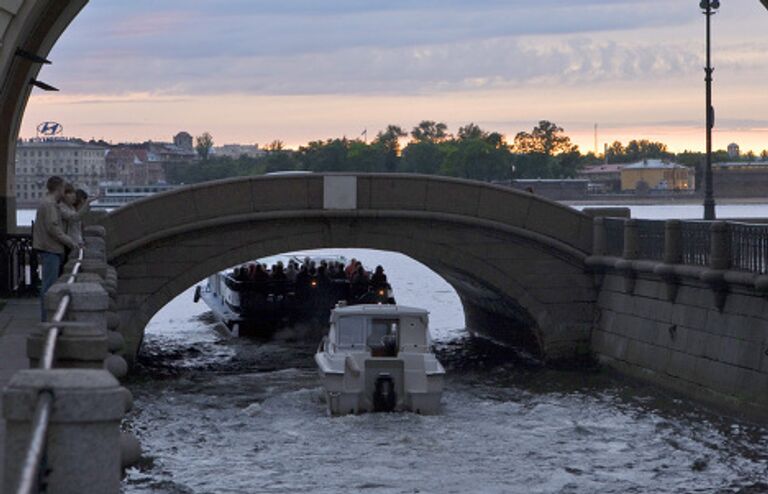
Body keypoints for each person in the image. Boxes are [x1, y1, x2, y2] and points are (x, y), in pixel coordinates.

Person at [33, 176, 80, 321]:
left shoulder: (48, 203)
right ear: (58, 188)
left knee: (49, 285)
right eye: (63, 188)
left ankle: (48, 317)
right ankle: (47, 319)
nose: (64, 191)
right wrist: (70, 242)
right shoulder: (49, 204)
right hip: (51, 249)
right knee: (49, 286)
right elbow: (53, 229)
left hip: (50, 248)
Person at [58, 184, 92, 248]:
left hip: (75, 243)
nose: (73, 196)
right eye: (70, 193)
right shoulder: (61, 208)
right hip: (68, 245)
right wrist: (86, 205)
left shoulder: (71, 208)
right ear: (64, 195)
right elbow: (74, 217)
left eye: (73, 193)